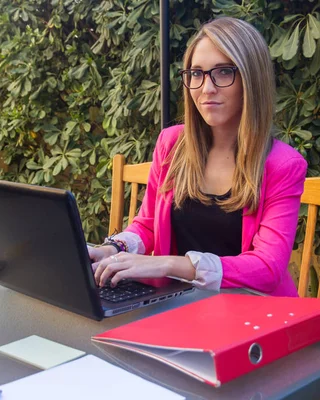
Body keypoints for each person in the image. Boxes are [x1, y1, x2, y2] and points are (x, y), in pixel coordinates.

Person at [89, 17, 307, 297]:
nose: (206, 88)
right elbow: (147, 225)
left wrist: (168, 264)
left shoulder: (283, 166)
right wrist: (112, 249)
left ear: (252, 80)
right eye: (196, 73)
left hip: (254, 313)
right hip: (180, 305)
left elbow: (267, 267)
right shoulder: (172, 144)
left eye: (224, 72)